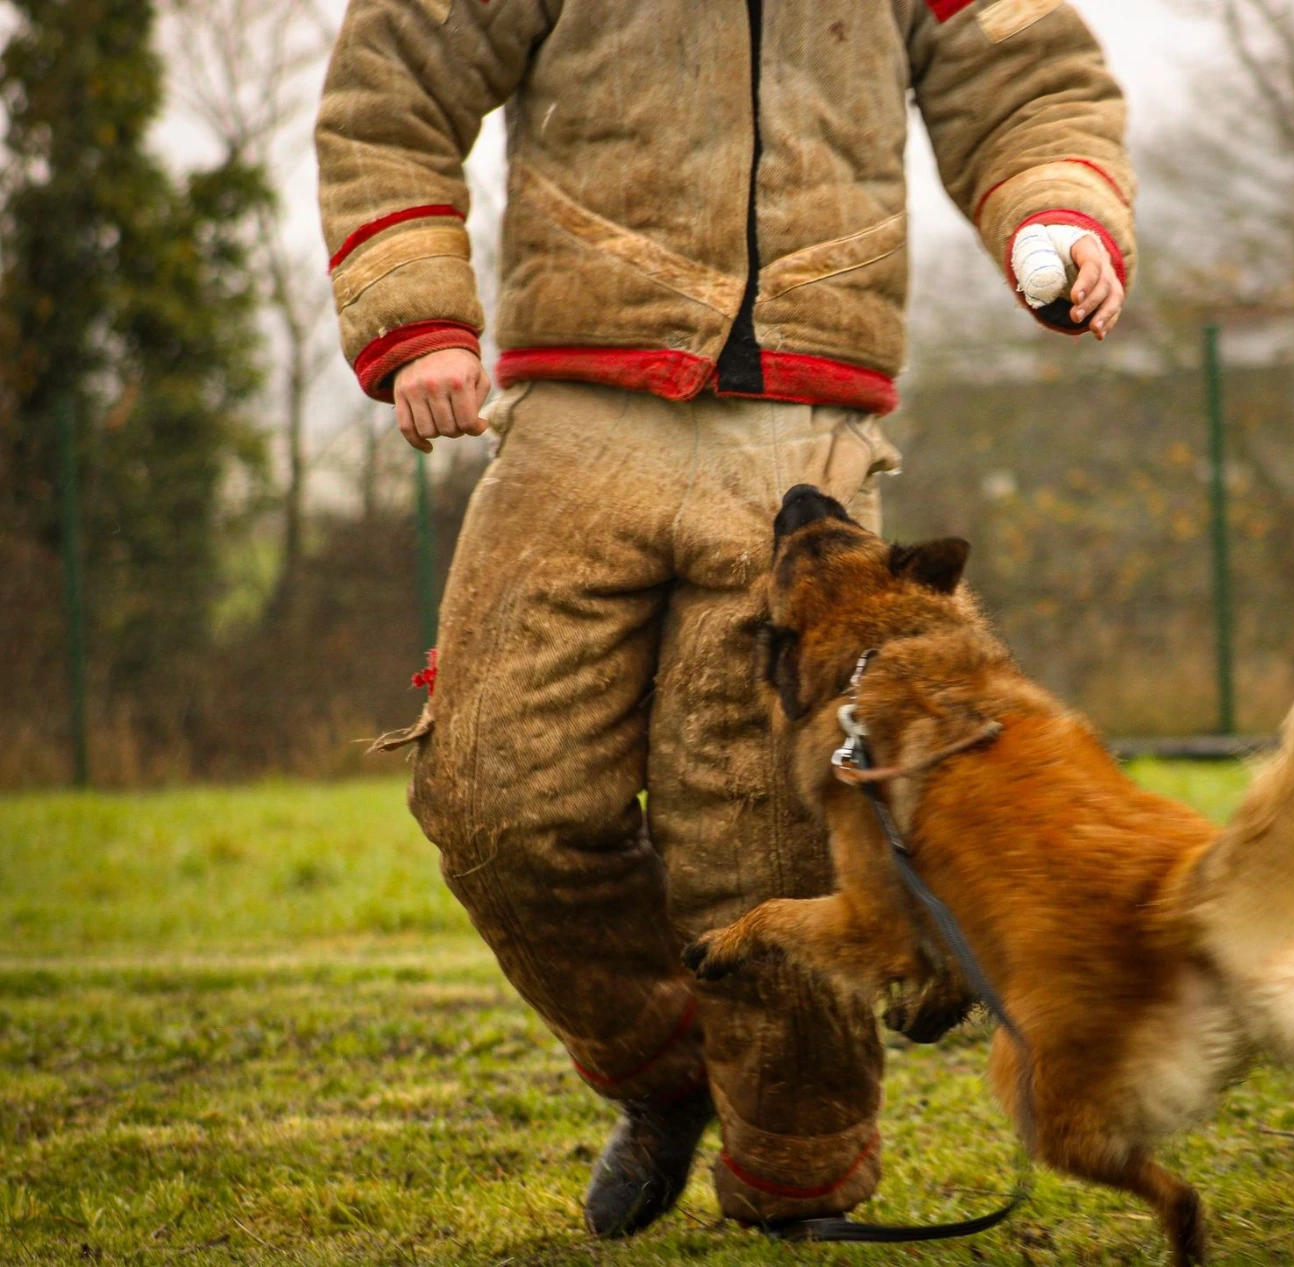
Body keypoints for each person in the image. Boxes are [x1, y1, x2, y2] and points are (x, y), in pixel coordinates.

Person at [317, 0, 1135, 1239]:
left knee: (762, 844)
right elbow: (392, 82)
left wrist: (1060, 212)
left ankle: (794, 1167)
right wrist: (415, 310)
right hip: (571, 420)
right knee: (499, 802)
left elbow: (1023, 73)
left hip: (805, 428)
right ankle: (663, 1065)